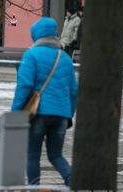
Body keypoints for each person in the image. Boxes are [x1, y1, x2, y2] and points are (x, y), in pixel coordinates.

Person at [11, 17, 78, 186]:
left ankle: (34, 187)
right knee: (56, 155)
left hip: (38, 114)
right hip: (61, 115)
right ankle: (73, 182)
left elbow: (24, 86)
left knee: (33, 155)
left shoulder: (31, 55)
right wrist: (68, 114)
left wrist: (15, 113)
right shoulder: (65, 58)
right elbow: (74, 91)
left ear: (36, 35)